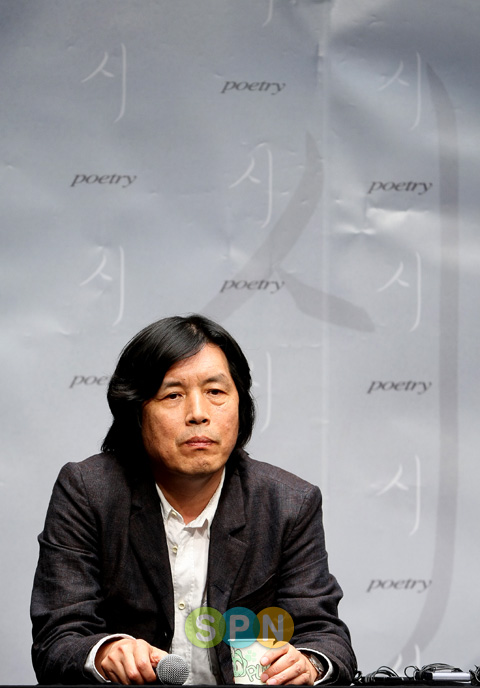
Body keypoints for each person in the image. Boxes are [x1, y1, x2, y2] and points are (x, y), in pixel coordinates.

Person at [31, 314, 356, 685]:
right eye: (173, 395)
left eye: (216, 392)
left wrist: (309, 663)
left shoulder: (288, 503)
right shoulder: (89, 492)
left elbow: (325, 636)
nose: (198, 414)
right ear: (136, 411)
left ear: (240, 405)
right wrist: (105, 653)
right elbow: (57, 639)